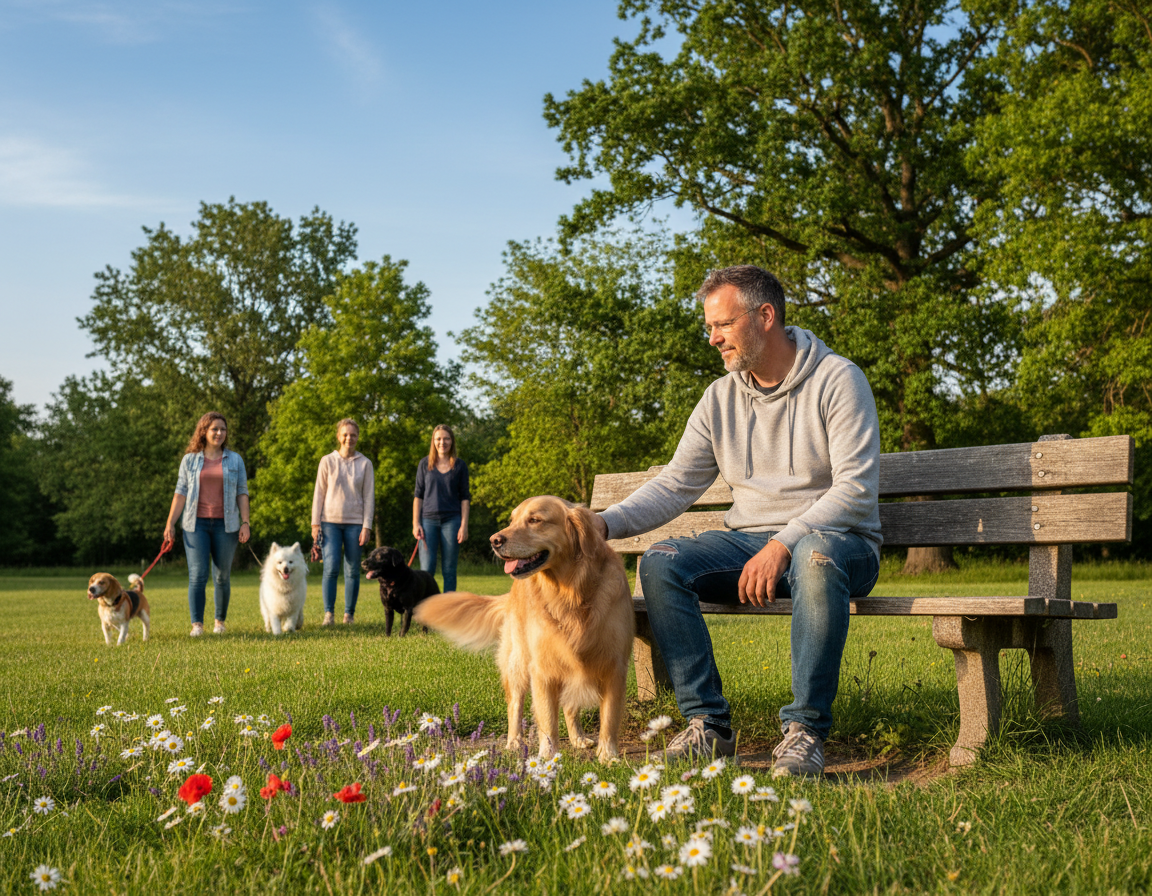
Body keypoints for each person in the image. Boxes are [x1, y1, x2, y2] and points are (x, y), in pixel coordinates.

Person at [594, 265, 882, 776]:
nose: (713, 339)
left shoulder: (839, 379)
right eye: (710, 327)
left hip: (840, 545)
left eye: (722, 325)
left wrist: (784, 544)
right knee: (661, 562)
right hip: (749, 543)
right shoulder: (720, 397)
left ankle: (804, 732)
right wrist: (604, 524)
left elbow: (854, 490)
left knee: (813, 556)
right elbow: (676, 483)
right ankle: (708, 726)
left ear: (765, 316)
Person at [163, 412, 251, 637]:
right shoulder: (190, 459)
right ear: (204, 431)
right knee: (198, 575)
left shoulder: (235, 460)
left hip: (227, 525)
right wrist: (170, 524)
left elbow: (242, 493)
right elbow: (180, 493)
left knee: (222, 576)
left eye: (223, 429)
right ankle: (197, 625)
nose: (220, 433)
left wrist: (245, 522)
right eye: (215, 429)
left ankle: (219, 622)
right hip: (195, 525)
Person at [311, 418, 375, 626]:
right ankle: (329, 614)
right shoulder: (327, 461)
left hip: (355, 523)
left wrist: (367, 526)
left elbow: (369, 497)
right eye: (345, 434)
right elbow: (318, 494)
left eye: (353, 435)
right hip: (329, 522)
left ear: (358, 437)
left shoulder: (365, 463)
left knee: (352, 570)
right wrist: (315, 524)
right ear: (339, 437)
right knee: (330, 569)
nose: (349, 438)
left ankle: (349, 614)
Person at [412, 424, 470, 592]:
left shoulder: (460, 466)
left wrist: (464, 526)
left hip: (452, 521)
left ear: (452, 441)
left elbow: (465, 498)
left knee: (449, 570)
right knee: (426, 570)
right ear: (433, 441)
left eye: (446, 438)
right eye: (438, 439)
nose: (442, 442)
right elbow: (418, 496)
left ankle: (448, 611)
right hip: (428, 521)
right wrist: (416, 523)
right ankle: (425, 610)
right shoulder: (425, 464)